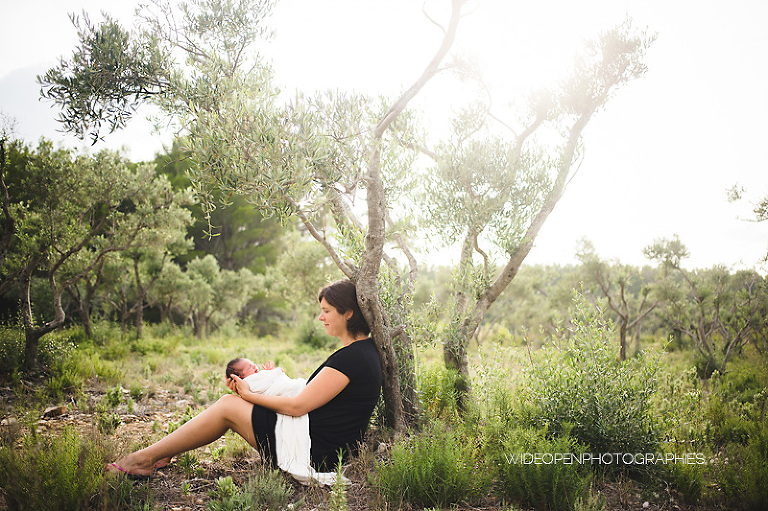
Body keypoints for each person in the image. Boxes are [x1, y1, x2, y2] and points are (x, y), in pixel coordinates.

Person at [107, 279, 382, 482]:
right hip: (322, 439)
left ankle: (143, 459)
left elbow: (298, 407)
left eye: (327, 311)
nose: (320, 317)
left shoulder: (353, 358)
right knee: (232, 402)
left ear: (348, 313)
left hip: (316, 450)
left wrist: (248, 396)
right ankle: (163, 452)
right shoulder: (362, 352)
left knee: (228, 406)